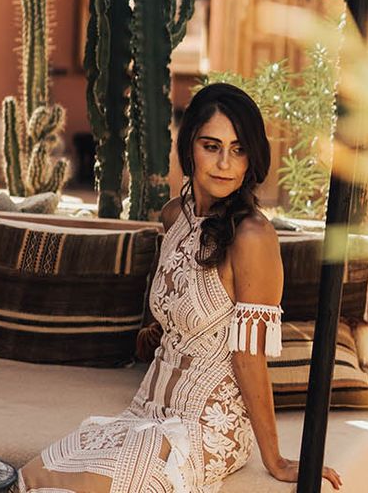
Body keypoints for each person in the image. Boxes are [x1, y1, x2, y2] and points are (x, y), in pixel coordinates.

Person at [19, 83, 342, 492]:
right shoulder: (175, 216)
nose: (225, 163)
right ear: (189, 146)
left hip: (203, 430)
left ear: (251, 158)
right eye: (212, 146)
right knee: (29, 478)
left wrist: (274, 459)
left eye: (238, 149)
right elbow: (181, 307)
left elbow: (249, 358)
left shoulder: (252, 236)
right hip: (144, 413)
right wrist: (157, 333)